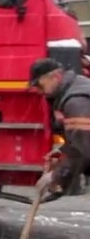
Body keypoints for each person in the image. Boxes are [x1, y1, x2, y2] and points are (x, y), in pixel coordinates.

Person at [28, 57, 90, 195]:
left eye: (39, 85)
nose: (39, 91)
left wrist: (55, 176)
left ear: (55, 77)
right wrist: (63, 152)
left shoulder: (75, 101)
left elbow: (82, 150)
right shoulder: (77, 86)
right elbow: (81, 141)